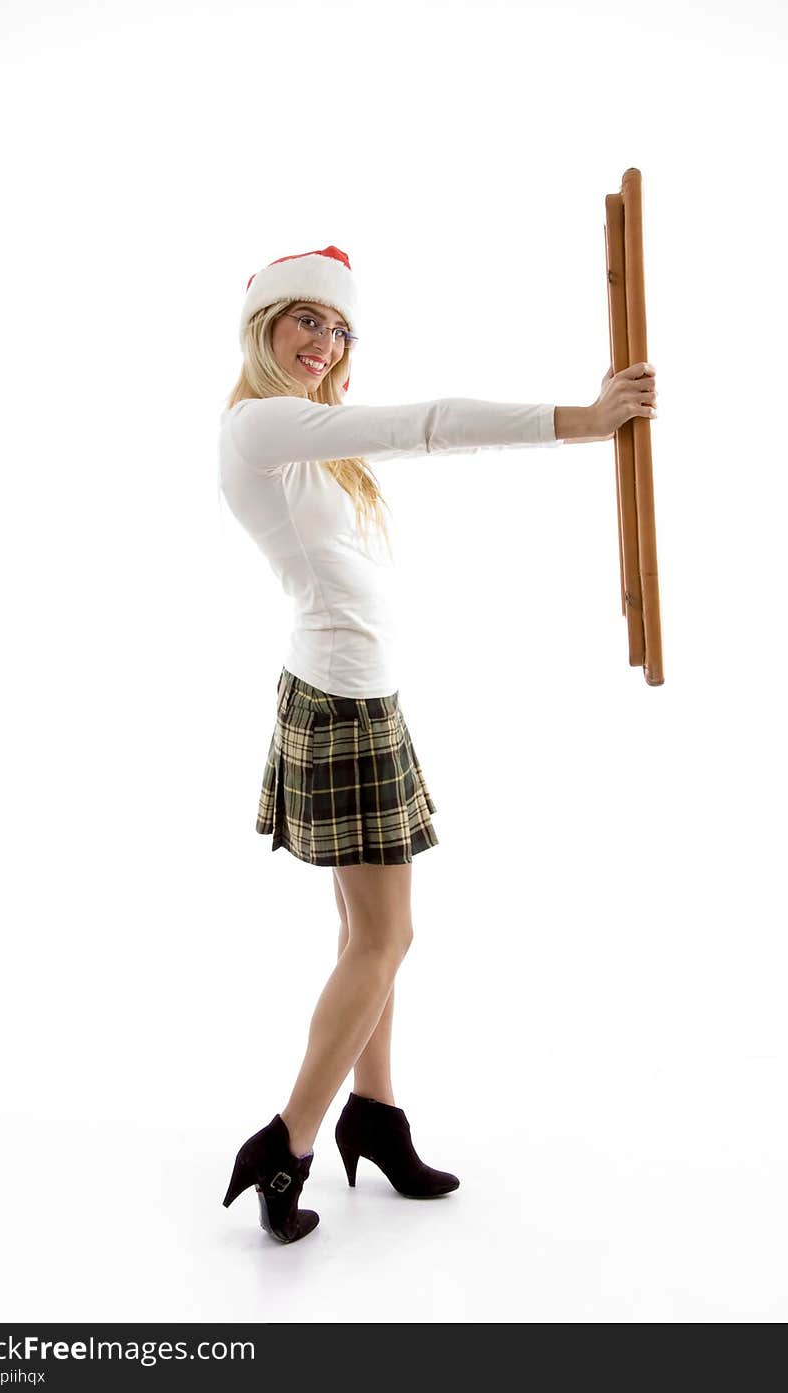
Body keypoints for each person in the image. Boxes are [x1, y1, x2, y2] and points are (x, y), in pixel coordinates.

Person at [217, 244, 658, 1244]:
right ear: (265, 325)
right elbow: (425, 425)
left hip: (357, 698)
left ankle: (374, 1118)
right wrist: (579, 422)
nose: (325, 344)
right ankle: (285, 1142)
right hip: (341, 709)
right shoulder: (264, 421)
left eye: (340, 330)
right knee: (384, 939)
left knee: (363, 937)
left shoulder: (292, 428)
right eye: (308, 322)